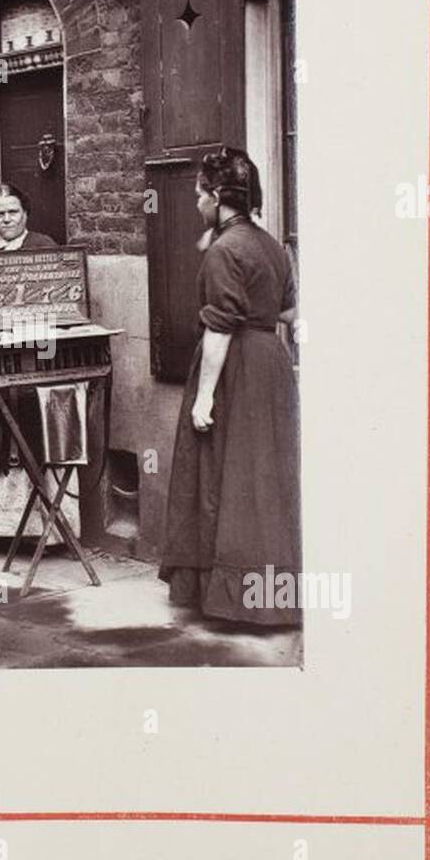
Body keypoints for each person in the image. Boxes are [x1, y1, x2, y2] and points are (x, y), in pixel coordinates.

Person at [158, 147, 301, 627]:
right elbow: (286, 312)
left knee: (226, 474)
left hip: (235, 365)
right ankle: (275, 594)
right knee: (265, 477)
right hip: (272, 364)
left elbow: (219, 327)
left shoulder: (224, 249)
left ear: (218, 196)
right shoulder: (271, 244)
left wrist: (203, 396)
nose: (197, 201)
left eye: (200, 193)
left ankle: (233, 600)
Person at [0, 183, 81, 546]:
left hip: (39, 361)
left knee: (34, 436)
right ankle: (6, 527)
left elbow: (60, 300)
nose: (6, 219)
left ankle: (43, 530)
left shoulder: (42, 248)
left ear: (25, 214)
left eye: (12, 211)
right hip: (3, 359)